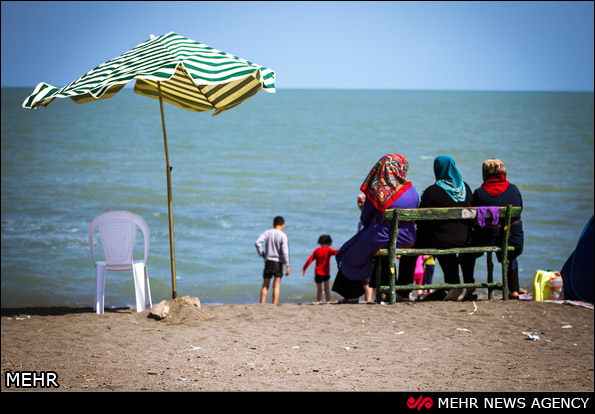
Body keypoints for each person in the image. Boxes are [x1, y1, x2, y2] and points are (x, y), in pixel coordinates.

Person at [332, 153, 419, 303]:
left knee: (350, 253)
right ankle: (385, 292)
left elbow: (365, 217)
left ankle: (352, 295)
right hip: (408, 237)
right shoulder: (411, 190)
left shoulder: (379, 189)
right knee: (384, 256)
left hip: (382, 236)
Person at [459, 158, 524, 300]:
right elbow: (520, 210)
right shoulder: (514, 190)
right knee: (509, 254)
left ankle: (470, 285)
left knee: (465, 254)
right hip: (512, 238)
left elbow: (473, 218)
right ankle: (514, 291)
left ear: (485, 173)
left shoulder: (480, 193)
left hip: (487, 238)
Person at [415, 156, 473, 301]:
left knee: (429, 244)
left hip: (442, 240)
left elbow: (421, 219)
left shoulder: (432, 191)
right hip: (467, 239)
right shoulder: (466, 188)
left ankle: (403, 290)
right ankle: (457, 284)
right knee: (447, 240)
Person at [255, 216, 290, 305]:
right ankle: (274, 303)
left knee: (265, 284)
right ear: (283, 225)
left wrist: (261, 254)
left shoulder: (267, 233)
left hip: (268, 261)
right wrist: (287, 265)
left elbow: (257, 242)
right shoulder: (283, 235)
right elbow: (285, 251)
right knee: (276, 285)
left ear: (273, 224)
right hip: (278, 262)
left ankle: (262, 303)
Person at [302, 235, 338, 303]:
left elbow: (309, 260)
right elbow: (336, 252)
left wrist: (304, 269)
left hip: (318, 273)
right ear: (329, 243)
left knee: (319, 290)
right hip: (326, 273)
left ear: (320, 242)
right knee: (327, 289)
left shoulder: (317, 250)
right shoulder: (329, 250)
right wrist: (345, 249)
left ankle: (319, 301)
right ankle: (328, 301)